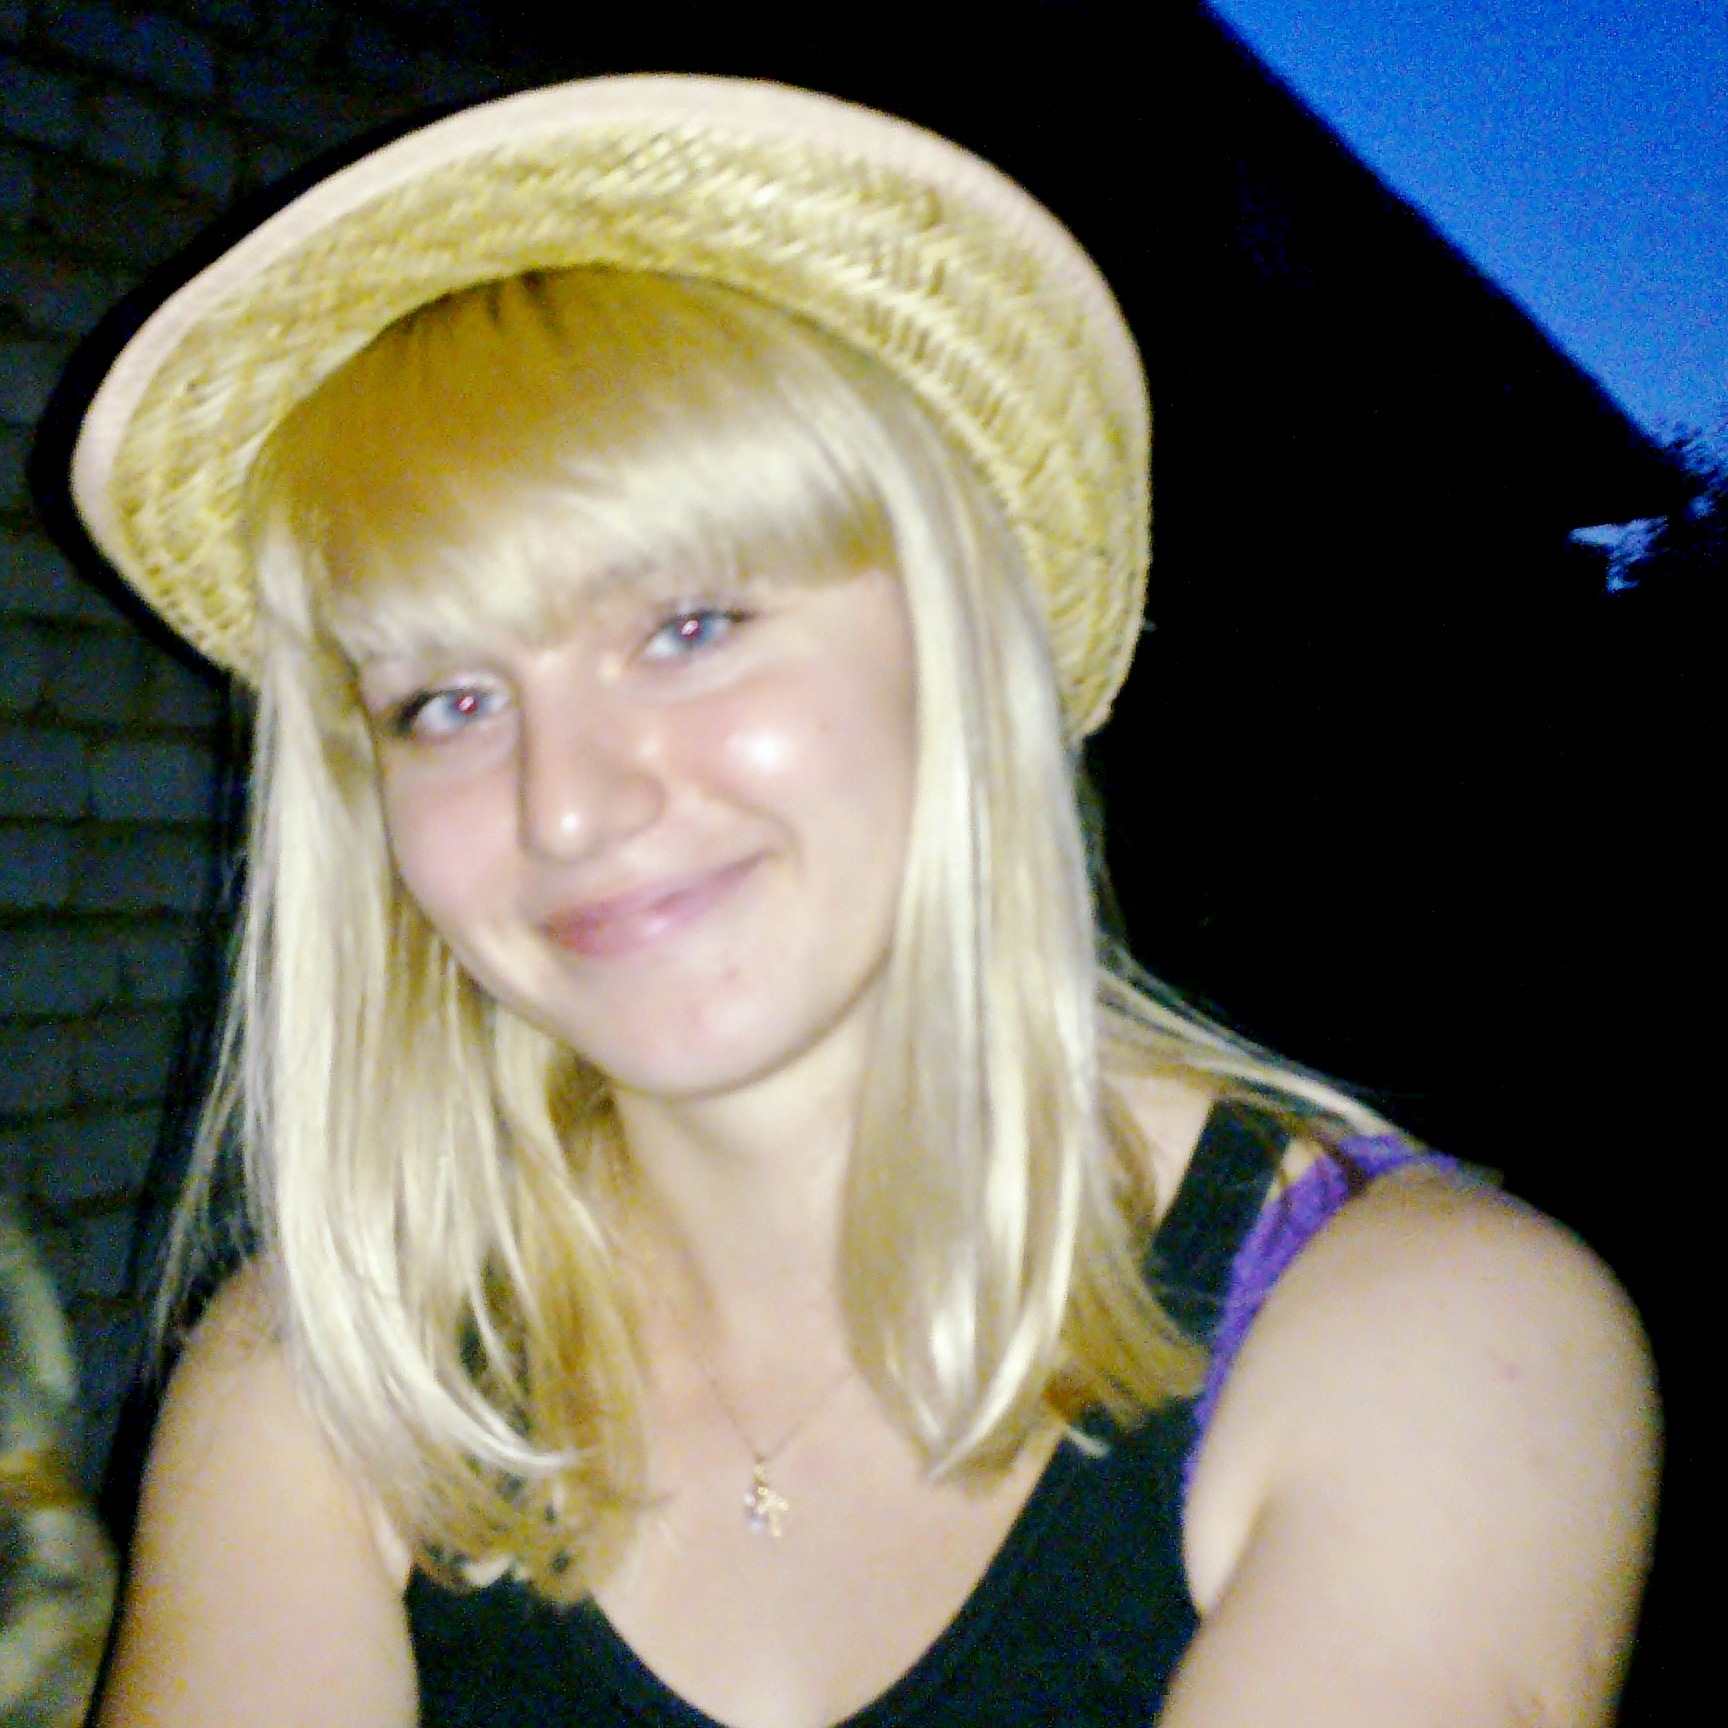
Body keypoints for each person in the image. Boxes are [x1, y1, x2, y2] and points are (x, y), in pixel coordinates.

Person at [68, 76, 1656, 1728]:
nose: (570, 803)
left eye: (688, 627)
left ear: (958, 643)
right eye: (446, 702)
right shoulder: (322, 1385)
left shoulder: (1435, 1339)